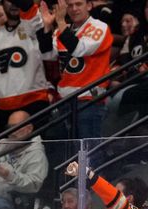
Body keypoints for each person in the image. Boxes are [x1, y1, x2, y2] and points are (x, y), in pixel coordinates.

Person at [40, 0, 113, 139]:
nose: (74, 9)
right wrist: (47, 27)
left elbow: (79, 49)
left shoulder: (100, 27)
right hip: (63, 100)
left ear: (89, 5)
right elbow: (47, 54)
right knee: (68, 153)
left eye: (78, 4)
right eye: (70, 5)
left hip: (89, 100)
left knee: (88, 153)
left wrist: (60, 21)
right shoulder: (61, 30)